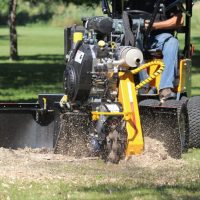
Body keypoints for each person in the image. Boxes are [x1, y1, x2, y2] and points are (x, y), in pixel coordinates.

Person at [125, 0, 184, 101]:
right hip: (133, 37)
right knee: (132, 40)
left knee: (172, 42)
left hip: (158, 38)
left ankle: (165, 88)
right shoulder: (128, 3)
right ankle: (141, 84)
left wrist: (155, 26)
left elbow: (180, 20)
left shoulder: (168, 2)